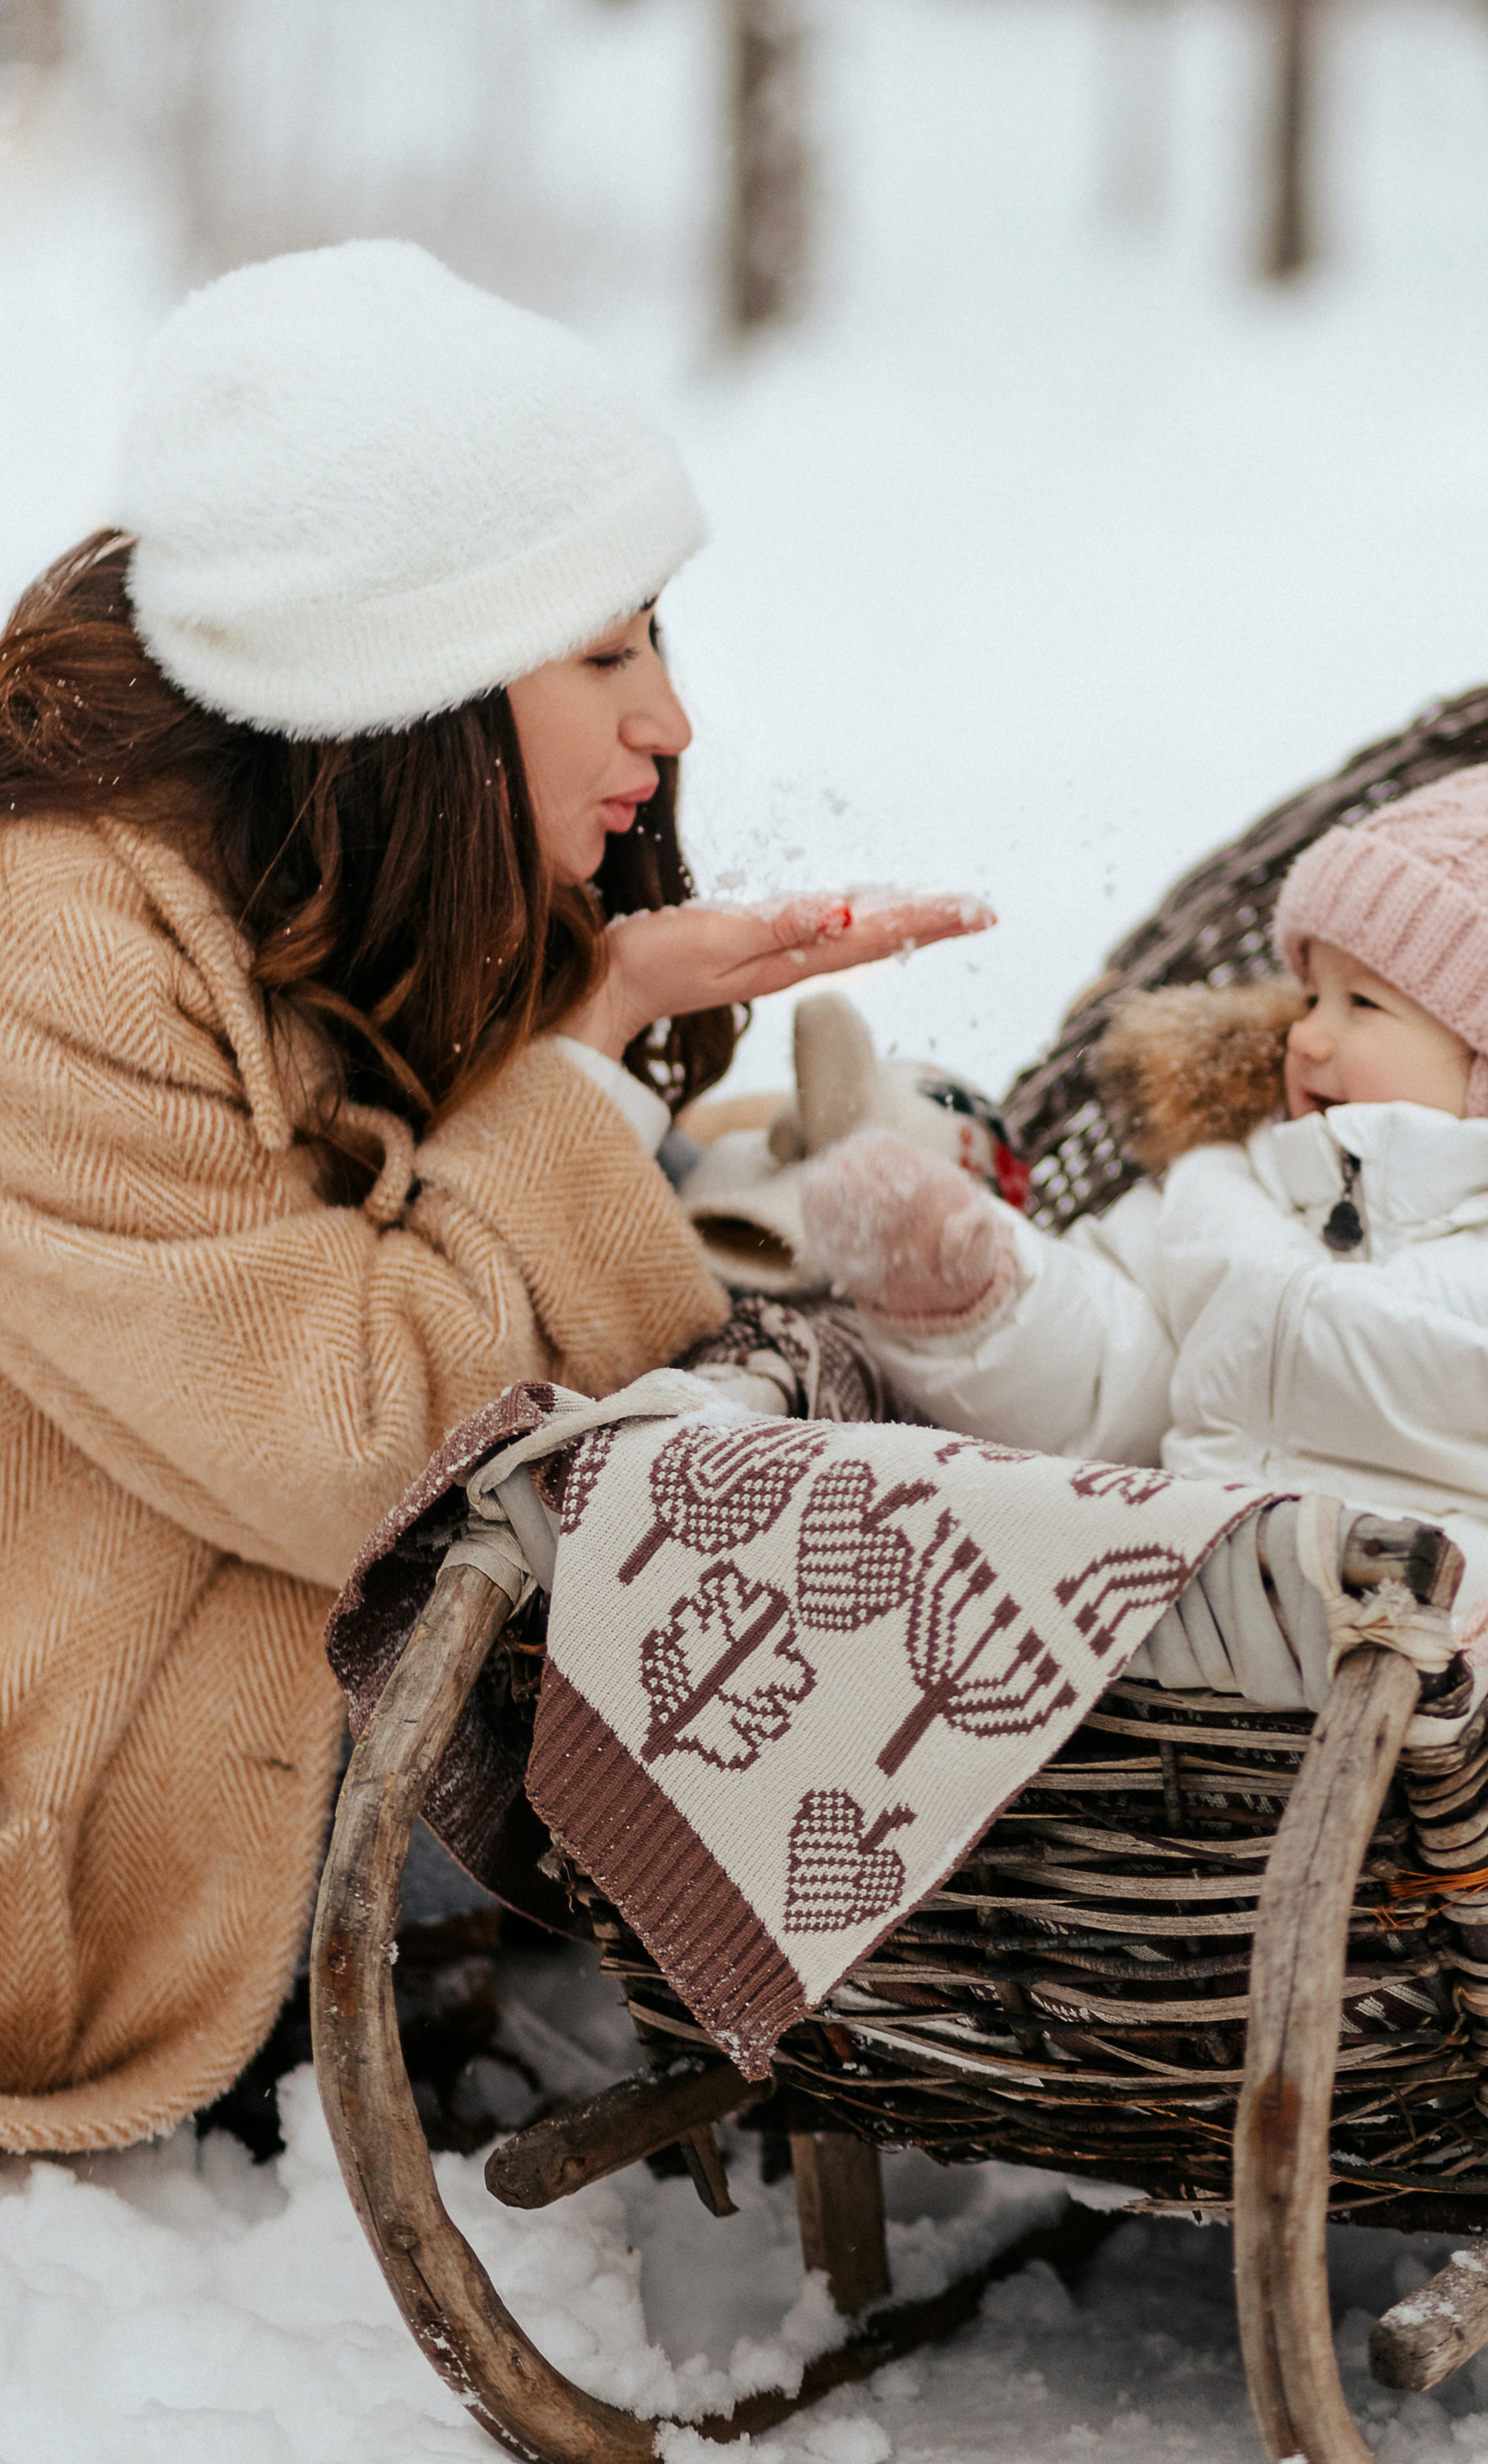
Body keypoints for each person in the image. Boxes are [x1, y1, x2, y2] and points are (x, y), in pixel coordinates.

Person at [0, 240, 979, 2156]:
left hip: (295, 1689)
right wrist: (594, 1036)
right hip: (96, 1811)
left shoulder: (340, 831)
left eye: (658, 642)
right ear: (403, 677)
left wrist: (727, 1125)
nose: (671, 723)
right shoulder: (55, 952)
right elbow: (352, 1443)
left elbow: (462, 1212)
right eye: (606, 654)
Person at [797, 665, 1488, 1652]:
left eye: (1361, 1004)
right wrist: (981, 1292)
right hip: (1168, 1675)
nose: (1304, 1036)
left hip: (1459, 1719)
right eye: (1309, 992)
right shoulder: (1229, 1190)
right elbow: (1113, 1385)